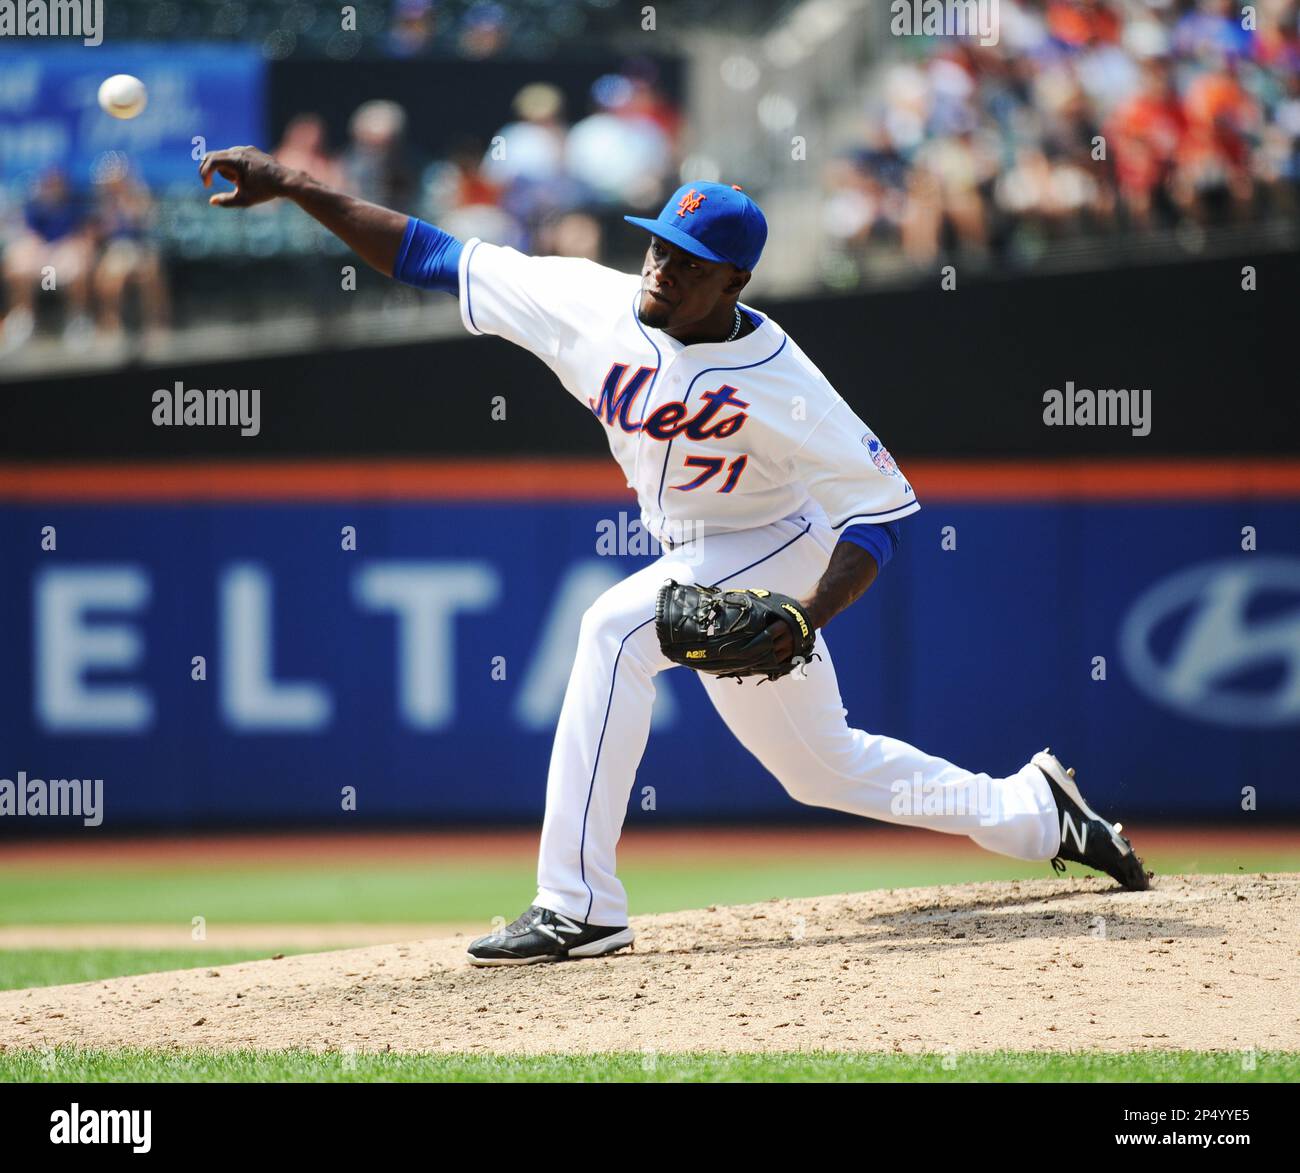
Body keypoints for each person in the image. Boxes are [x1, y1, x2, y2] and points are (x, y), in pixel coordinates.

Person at [199, 146, 1151, 966]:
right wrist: (291, 183)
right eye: (658, 242)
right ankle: (1038, 811)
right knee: (822, 769)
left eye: (689, 261)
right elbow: (426, 253)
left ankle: (579, 907)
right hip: (697, 548)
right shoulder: (589, 300)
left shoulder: (787, 383)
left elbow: (883, 517)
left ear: (733, 285)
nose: (661, 266)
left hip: (776, 542)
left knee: (613, 630)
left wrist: (804, 616)